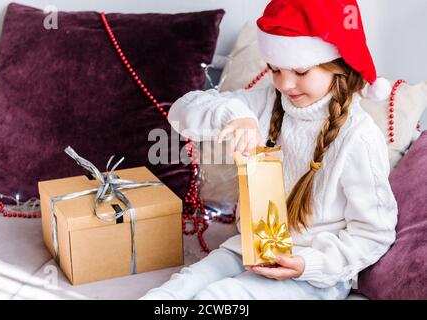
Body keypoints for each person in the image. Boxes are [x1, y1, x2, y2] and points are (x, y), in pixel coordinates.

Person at [140, 0, 397, 300]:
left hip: (310, 275)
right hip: (248, 250)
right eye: (275, 69)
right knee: (176, 290)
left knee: (222, 297)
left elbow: (373, 234)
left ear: (336, 64)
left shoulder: (359, 138)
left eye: (300, 70)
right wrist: (235, 116)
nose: (285, 83)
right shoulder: (266, 102)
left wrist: (308, 264)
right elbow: (182, 111)